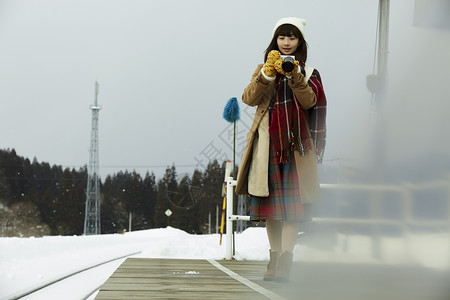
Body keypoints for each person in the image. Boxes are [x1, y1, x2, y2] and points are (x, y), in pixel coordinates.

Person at [236, 17, 327, 282]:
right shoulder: (263, 69)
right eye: (282, 37)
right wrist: (266, 75)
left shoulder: (309, 73)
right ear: (275, 41)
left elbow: (310, 102)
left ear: (300, 42)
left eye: (292, 38)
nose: (286, 43)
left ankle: (286, 260)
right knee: (271, 210)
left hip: (296, 149)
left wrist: (295, 76)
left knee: (292, 209)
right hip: (267, 147)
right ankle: (274, 258)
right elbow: (248, 98)